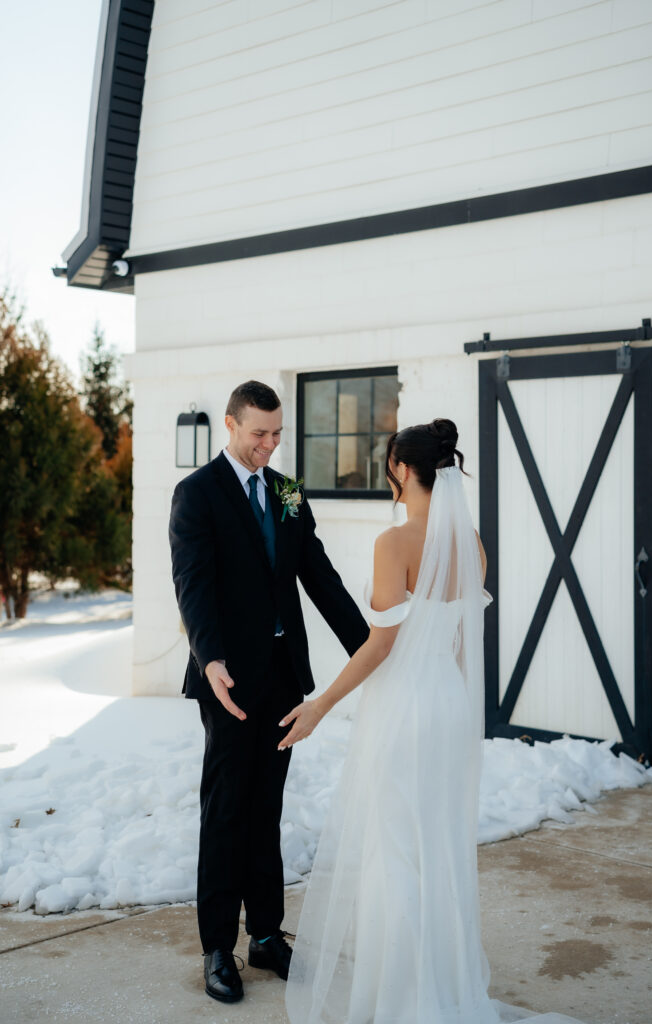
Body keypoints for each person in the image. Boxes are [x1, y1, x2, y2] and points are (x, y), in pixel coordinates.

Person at [281, 419, 592, 1024]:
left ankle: (405, 1001)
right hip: (449, 704)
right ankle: (443, 987)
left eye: (389, 466)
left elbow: (381, 645)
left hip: (406, 708)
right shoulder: (471, 543)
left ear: (403, 469)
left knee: (397, 849)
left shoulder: (394, 543)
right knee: (439, 847)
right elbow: (460, 644)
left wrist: (320, 705)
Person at [168, 380, 369, 1005]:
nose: (270, 444)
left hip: (282, 678)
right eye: (259, 433)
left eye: (277, 433)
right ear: (231, 425)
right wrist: (209, 658)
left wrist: (370, 647)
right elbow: (192, 583)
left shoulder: (287, 492)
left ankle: (264, 936)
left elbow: (320, 575)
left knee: (267, 808)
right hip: (227, 682)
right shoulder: (197, 493)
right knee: (226, 811)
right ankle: (216, 948)